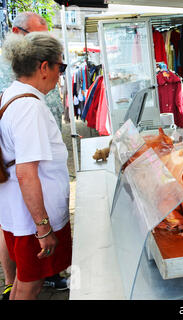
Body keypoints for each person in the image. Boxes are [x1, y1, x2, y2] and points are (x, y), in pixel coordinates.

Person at [0, 12, 68, 300]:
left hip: (18, 211)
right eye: (59, 67)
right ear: (44, 67)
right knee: (31, 283)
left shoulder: (13, 93)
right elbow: (26, 173)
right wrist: (43, 228)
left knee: (24, 280)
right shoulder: (30, 107)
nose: (59, 74)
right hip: (31, 219)